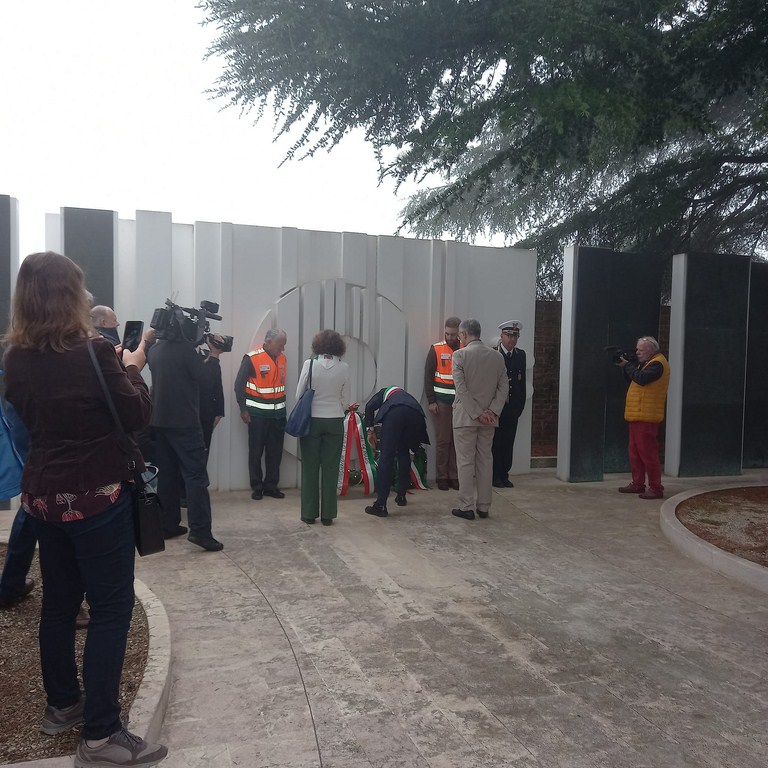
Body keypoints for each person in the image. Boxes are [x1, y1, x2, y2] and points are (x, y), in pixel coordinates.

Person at [3, 251, 167, 767]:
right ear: (71, 295)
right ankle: (101, 736)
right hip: (97, 497)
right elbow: (137, 414)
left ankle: (63, 705)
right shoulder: (94, 352)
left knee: (58, 604)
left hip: (43, 499)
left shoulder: (14, 358)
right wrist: (133, 368)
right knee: (111, 610)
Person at [148, 326, 223, 551]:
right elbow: (206, 380)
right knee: (196, 476)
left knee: (167, 475)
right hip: (185, 424)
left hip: (159, 421)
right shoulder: (185, 350)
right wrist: (214, 356)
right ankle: (200, 531)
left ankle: (168, 524)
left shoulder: (155, 350)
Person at [451, 319, 508, 520]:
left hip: (466, 418)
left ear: (465, 334)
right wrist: (492, 411)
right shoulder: (497, 357)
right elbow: (504, 388)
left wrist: (476, 412)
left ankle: (466, 506)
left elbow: (461, 389)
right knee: (485, 460)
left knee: (465, 462)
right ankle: (484, 506)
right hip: (489, 419)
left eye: (460, 335)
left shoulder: (459, 355)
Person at [296, 330, 350, 526]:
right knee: (331, 468)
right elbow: (346, 398)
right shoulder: (344, 367)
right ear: (339, 347)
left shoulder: (309, 364)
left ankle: (309, 514)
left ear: (317, 345)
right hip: (335, 420)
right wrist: (337, 406)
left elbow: (299, 394)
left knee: (310, 467)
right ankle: (328, 515)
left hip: (312, 420)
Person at [235, 329, 288, 500]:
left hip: (278, 416)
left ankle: (271, 486)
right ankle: (257, 486)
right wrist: (243, 409)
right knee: (256, 452)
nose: (283, 348)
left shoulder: (282, 359)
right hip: (257, 415)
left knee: (275, 453)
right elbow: (239, 385)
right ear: (268, 342)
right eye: (280, 345)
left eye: (284, 345)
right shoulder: (251, 358)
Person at [617, 336, 671, 500]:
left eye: (640, 350)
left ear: (651, 350)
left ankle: (656, 487)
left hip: (647, 416)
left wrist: (628, 365)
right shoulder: (647, 363)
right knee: (635, 453)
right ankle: (638, 483)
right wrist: (625, 367)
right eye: (637, 349)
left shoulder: (657, 364)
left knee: (648, 454)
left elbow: (641, 379)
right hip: (638, 415)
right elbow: (633, 379)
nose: (637, 353)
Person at [364, 387, 429, 518]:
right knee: (404, 453)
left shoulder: (384, 393)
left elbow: (370, 406)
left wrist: (370, 431)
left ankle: (381, 505)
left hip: (395, 415)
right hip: (416, 416)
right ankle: (401, 496)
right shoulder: (408, 397)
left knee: (386, 458)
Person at [423, 316, 461, 491]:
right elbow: (428, 376)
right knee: (443, 441)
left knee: (457, 441)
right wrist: (431, 401)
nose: (450, 337)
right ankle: (442, 477)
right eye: (447, 334)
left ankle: (455, 476)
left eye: (453, 334)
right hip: (442, 403)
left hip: (460, 404)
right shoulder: (436, 349)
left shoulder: (465, 348)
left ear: (459, 333)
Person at [492, 320, 527, 488]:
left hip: (513, 408)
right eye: (509, 335)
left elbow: (522, 383)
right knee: (496, 443)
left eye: (515, 336)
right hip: (497, 408)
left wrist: (520, 406)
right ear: (502, 336)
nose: (512, 339)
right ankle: (495, 476)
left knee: (508, 443)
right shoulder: (494, 354)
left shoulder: (520, 355)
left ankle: (504, 474)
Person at [198, 335, 227, 452]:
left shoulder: (208, 357)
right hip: (195, 414)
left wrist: (219, 412)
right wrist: (214, 354)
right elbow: (206, 382)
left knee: (203, 451)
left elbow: (217, 386)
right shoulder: (190, 356)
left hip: (206, 415)